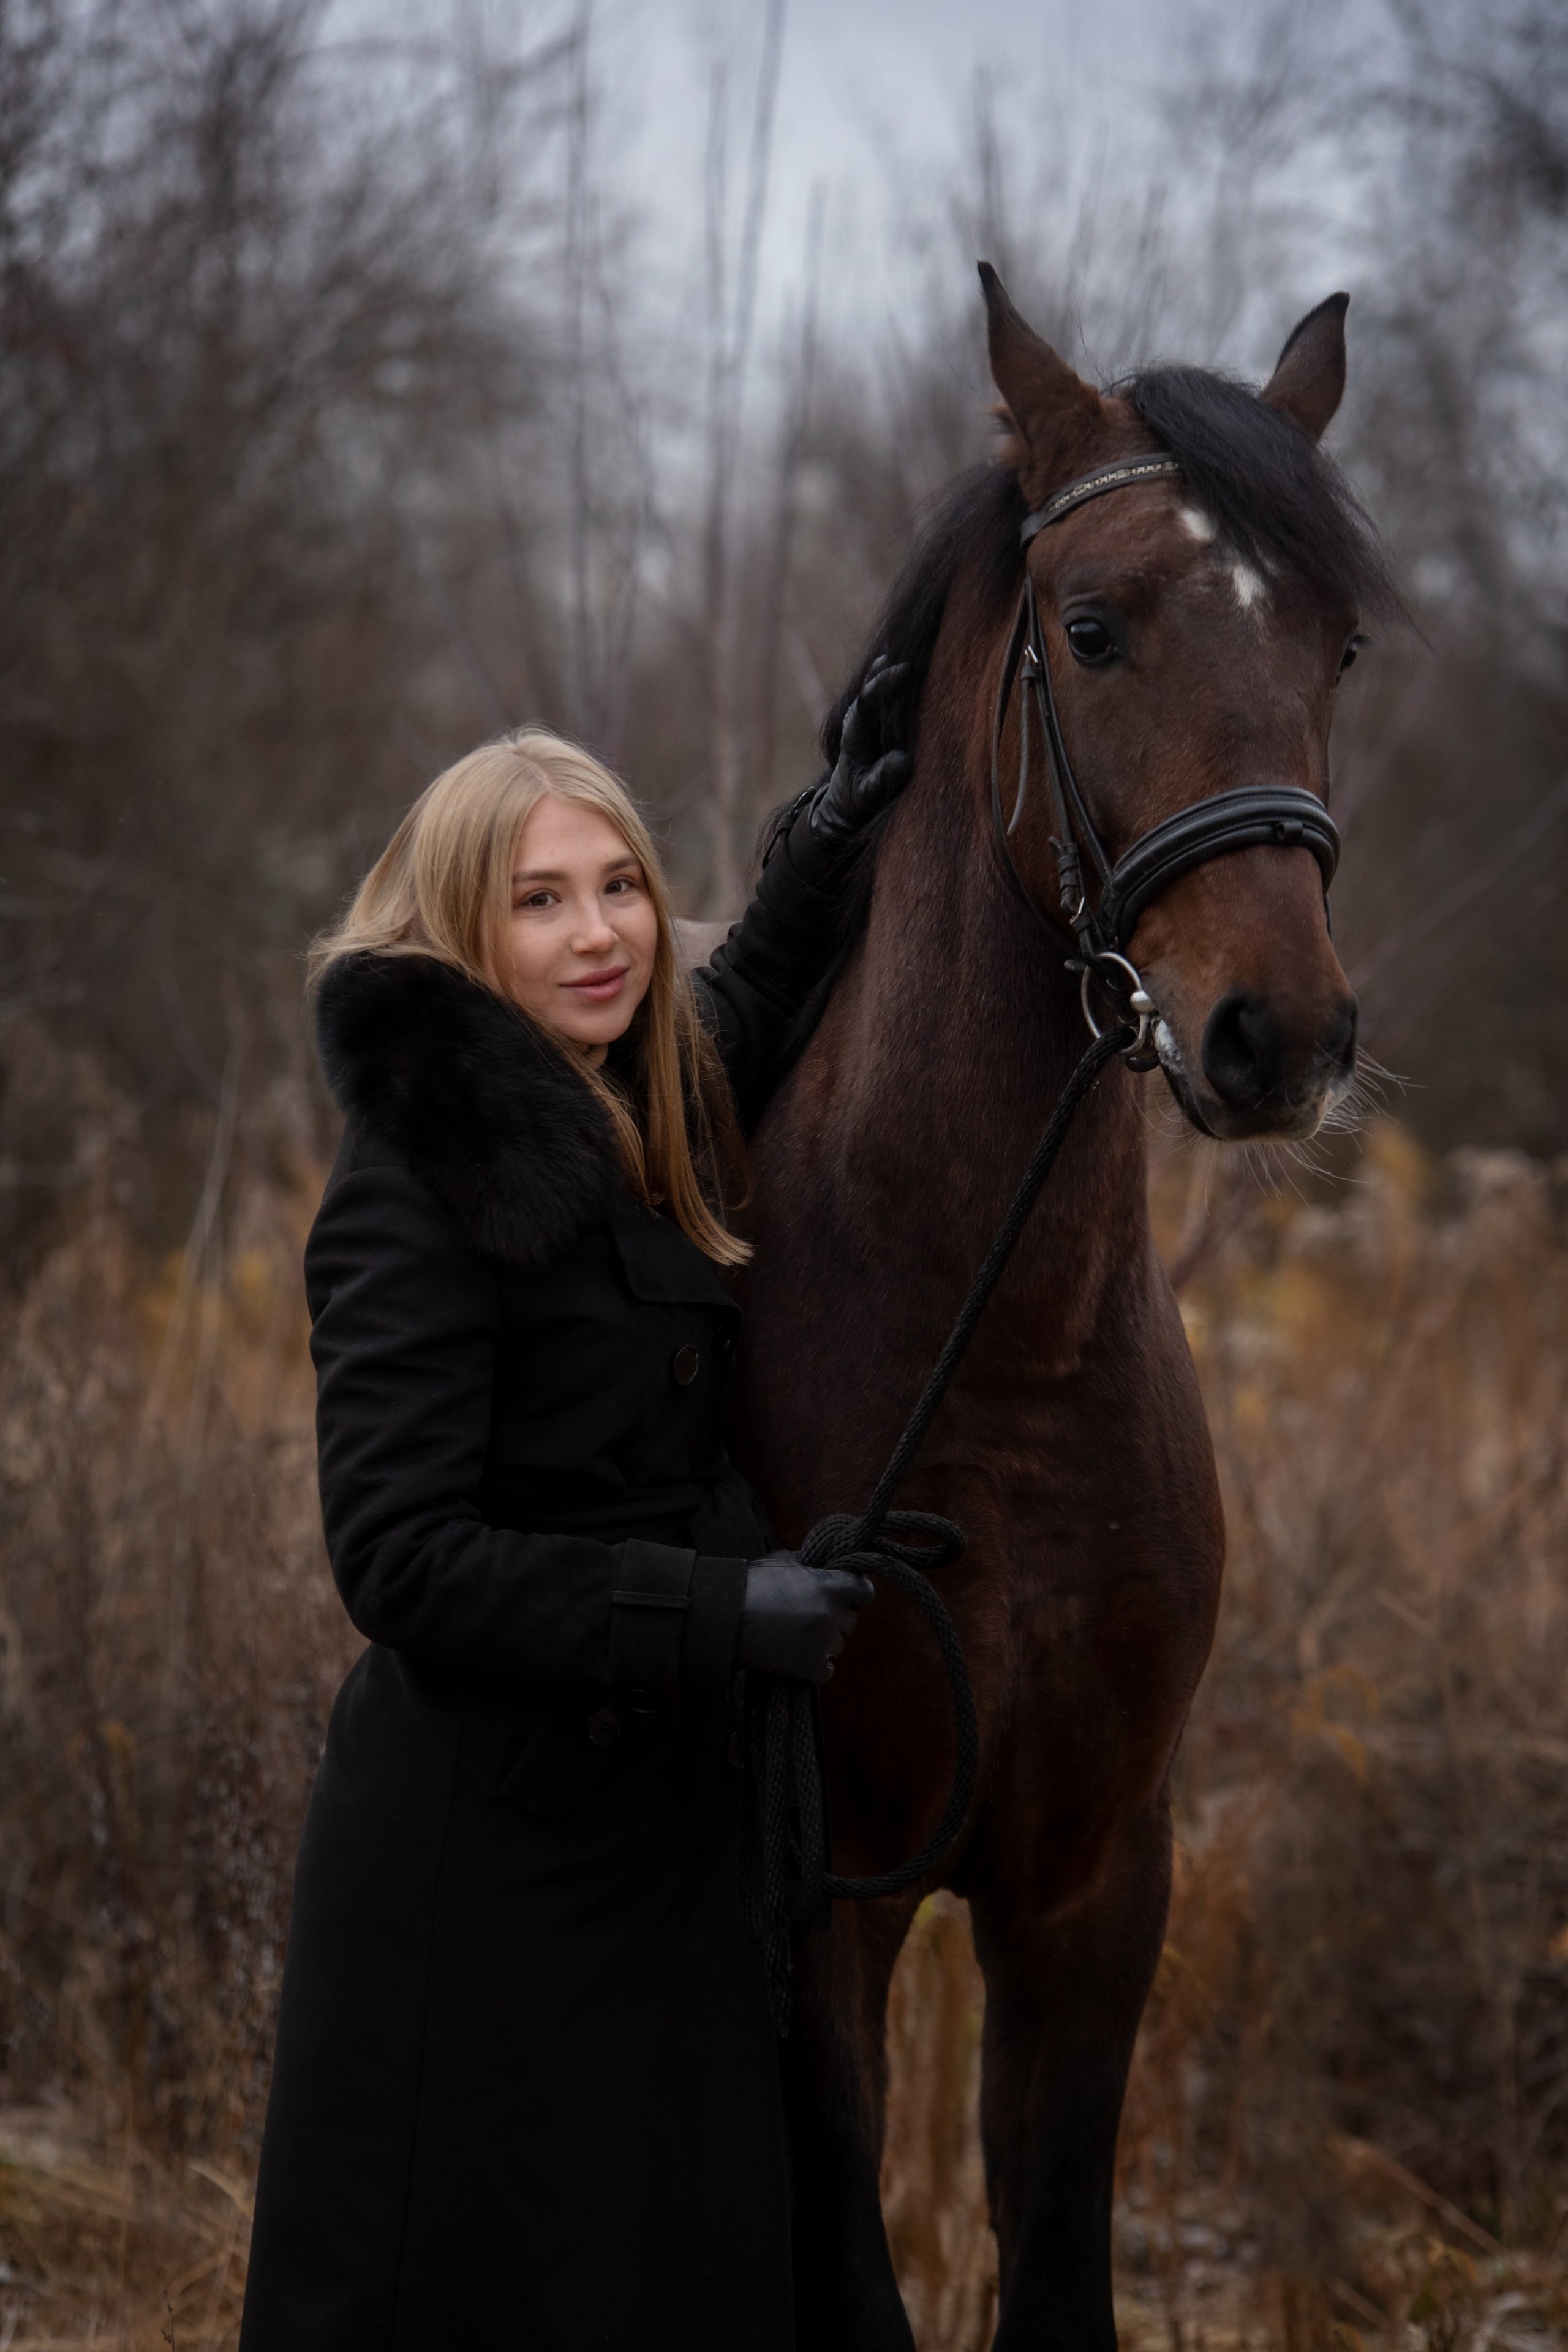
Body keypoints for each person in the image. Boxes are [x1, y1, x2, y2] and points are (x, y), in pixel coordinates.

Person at [238, 676, 910, 2352]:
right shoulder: (413, 1183)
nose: (602, 934)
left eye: (619, 885)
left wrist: (823, 838)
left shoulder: (626, 1105)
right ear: (463, 930)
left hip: (652, 1859)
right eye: (540, 901)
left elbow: (734, 1009)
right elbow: (396, 1560)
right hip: (478, 1883)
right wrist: (723, 1614)